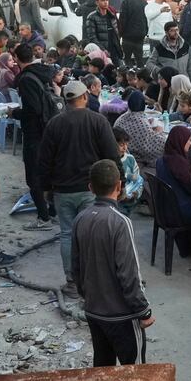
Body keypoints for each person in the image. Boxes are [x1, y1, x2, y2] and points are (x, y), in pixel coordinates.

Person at [38, 78, 121, 295]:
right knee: (93, 234)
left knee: (67, 234)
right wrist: (117, 183)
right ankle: (94, 281)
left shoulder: (55, 123)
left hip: (63, 189)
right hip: (91, 190)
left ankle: (72, 282)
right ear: (84, 96)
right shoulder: (98, 121)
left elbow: (44, 160)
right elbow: (112, 155)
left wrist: (46, 188)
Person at [71, 159, 152, 366]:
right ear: (119, 186)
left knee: (103, 368)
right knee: (132, 371)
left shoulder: (81, 218)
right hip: (121, 315)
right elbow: (129, 273)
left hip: (94, 310)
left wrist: (87, 295)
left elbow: (76, 267)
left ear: (90, 188)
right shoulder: (120, 222)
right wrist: (143, 310)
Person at [10, 42, 61, 223]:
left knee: (33, 176)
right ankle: (53, 211)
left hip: (35, 133)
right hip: (48, 129)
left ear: (17, 59)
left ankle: (43, 217)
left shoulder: (26, 79)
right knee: (48, 172)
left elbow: (33, 109)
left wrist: (15, 112)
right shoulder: (43, 72)